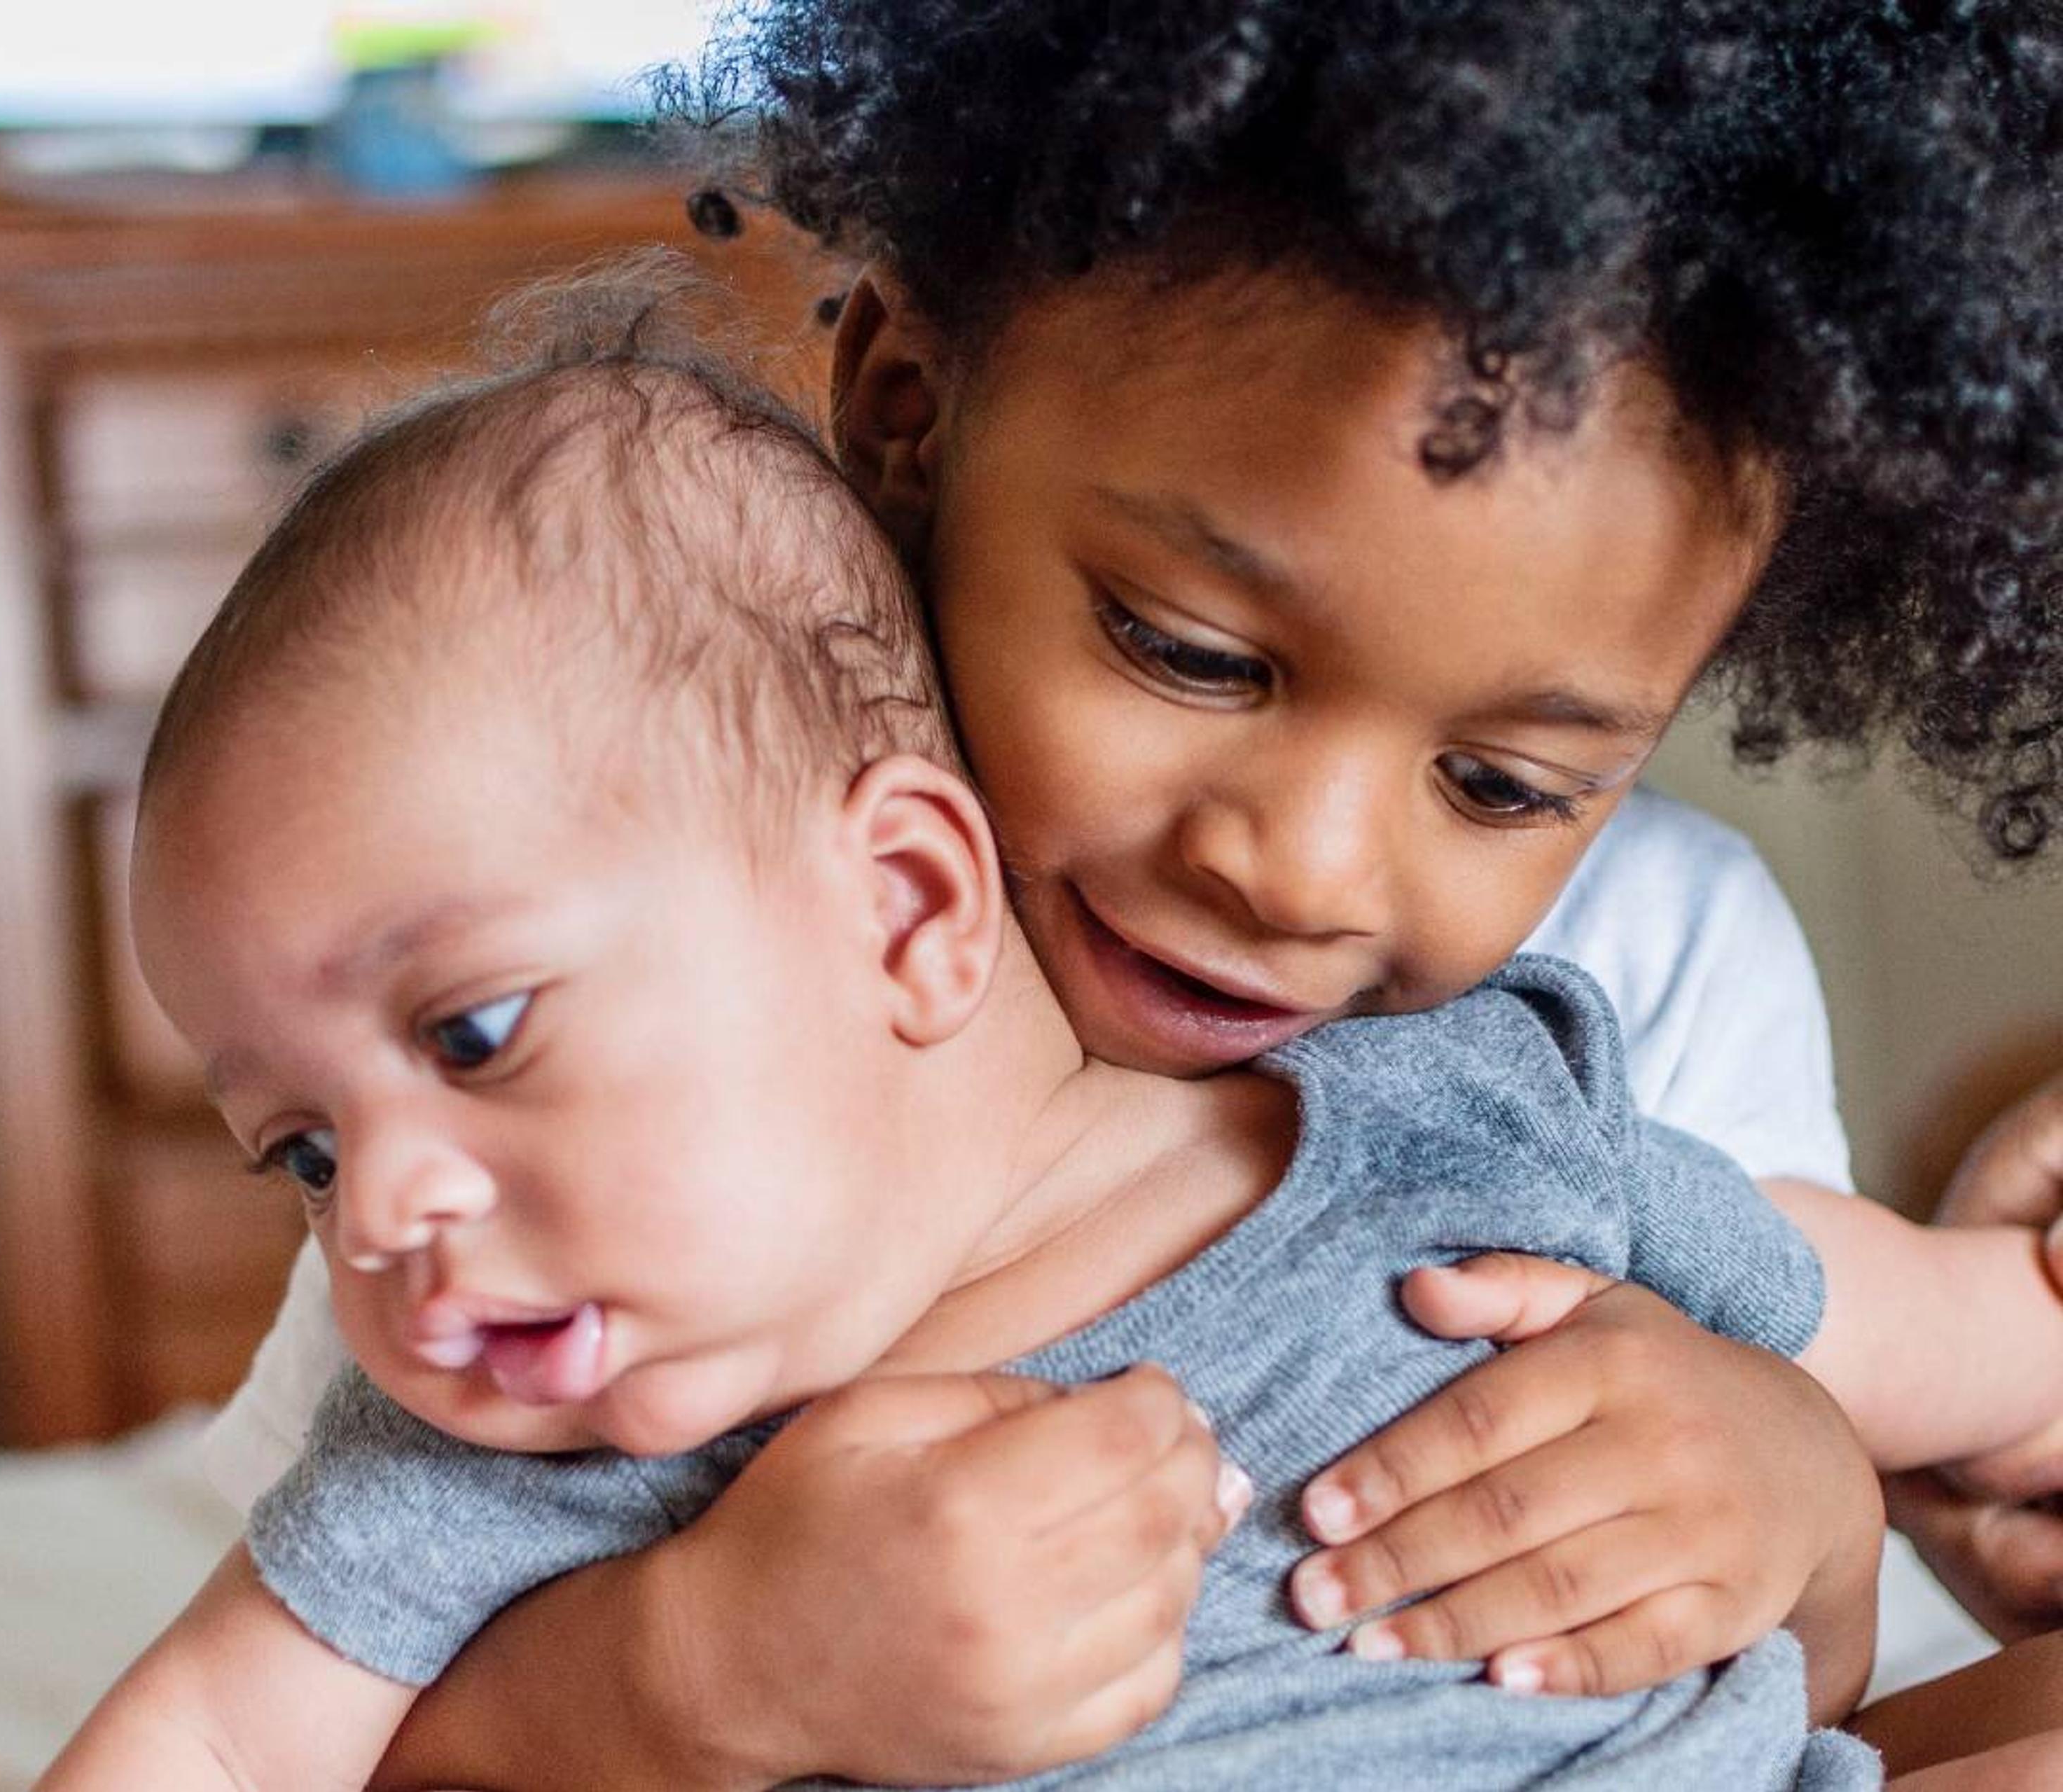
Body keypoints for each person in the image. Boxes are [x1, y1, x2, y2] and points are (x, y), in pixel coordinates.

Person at [166, 6, 2063, 1784]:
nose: (1300, 868)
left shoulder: (1635, 963)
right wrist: (702, 1661)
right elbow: (334, 1721)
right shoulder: (583, 1056)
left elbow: (1831, 1627)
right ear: (912, 413)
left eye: (1504, 785)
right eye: (1190, 654)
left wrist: (1805, 1489)